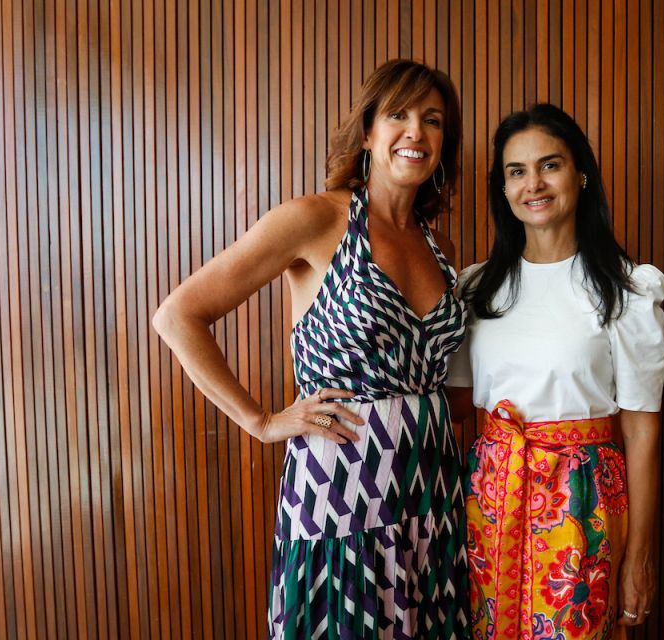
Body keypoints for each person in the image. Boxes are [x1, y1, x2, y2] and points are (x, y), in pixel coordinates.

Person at [153, 59, 469, 639]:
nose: (416, 133)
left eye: (433, 120)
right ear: (369, 131)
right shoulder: (314, 220)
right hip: (342, 489)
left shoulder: (441, 245)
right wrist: (263, 420)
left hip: (432, 490)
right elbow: (178, 315)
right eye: (398, 115)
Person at [446, 103, 664, 639]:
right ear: (502, 188)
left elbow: (641, 429)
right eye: (516, 172)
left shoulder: (625, 291)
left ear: (581, 174)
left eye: (550, 165)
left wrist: (638, 555)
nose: (533, 184)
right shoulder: (476, 289)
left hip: (582, 506)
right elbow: (453, 412)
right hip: (489, 505)